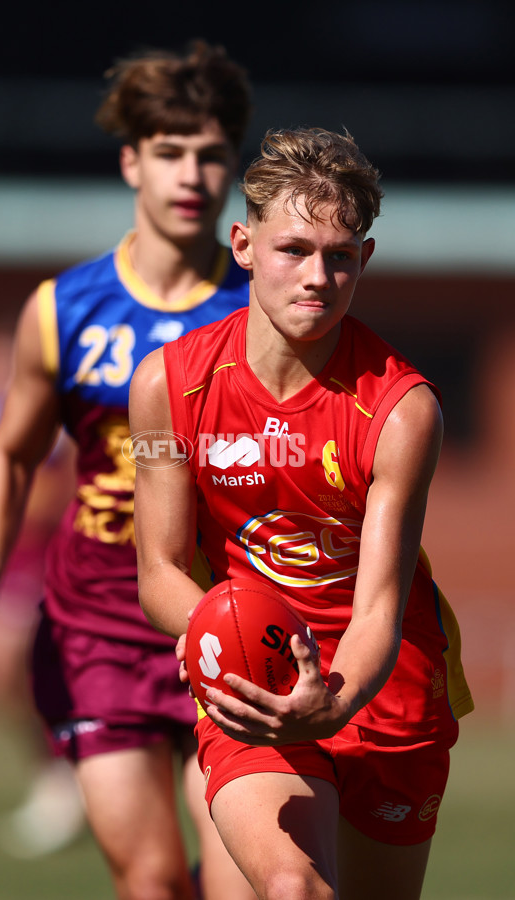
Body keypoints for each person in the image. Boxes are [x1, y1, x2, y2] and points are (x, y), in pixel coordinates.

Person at [0, 40, 257, 900]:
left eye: (211, 155)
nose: (191, 175)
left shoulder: (266, 311)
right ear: (130, 163)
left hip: (233, 619)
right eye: (170, 153)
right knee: (148, 882)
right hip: (98, 625)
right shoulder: (64, 309)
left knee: (240, 883)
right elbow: (13, 451)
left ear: (233, 169)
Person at [129, 127, 474, 900]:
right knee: (295, 889)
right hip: (251, 677)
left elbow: (379, 604)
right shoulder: (167, 386)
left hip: (383, 690)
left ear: (365, 260)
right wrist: (221, 637)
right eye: (293, 249)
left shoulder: (403, 408)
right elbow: (157, 573)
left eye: (340, 255)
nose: (318, 276)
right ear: (243, 244)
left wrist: (333, 700)